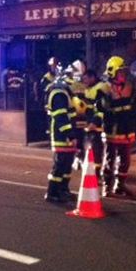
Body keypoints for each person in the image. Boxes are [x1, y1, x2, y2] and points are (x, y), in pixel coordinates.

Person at [98, 55, 136, 197]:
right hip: (112, 130)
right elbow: (104, 107)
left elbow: (135, 107)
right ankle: (107, 186)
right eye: (120, 72)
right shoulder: (105, 88)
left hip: (127, 130)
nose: (123, 75)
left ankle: (120, 185)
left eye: (124, 72)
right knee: (109, 159)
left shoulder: (129, 87)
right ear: (112, 72)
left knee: (125, 160)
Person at [44, 64, 78, 203]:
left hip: (66, 135)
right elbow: (61, 117)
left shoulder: (64, 93)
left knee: (66, 165)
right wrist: (70, 134)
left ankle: (63, 190)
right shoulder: (59, 94)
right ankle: (52, 192)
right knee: (60, 165)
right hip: (61, 136)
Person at [83, 69, 108, 179]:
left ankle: (97, 172)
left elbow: (101, 110)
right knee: (92, 148)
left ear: (92, 77)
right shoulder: (90, 89)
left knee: (97, 149)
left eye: (86, 79)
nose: (84, 81)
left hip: (99, 124)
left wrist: (94, 122)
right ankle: (94, 169)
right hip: (91, 123)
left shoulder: (100, 89)